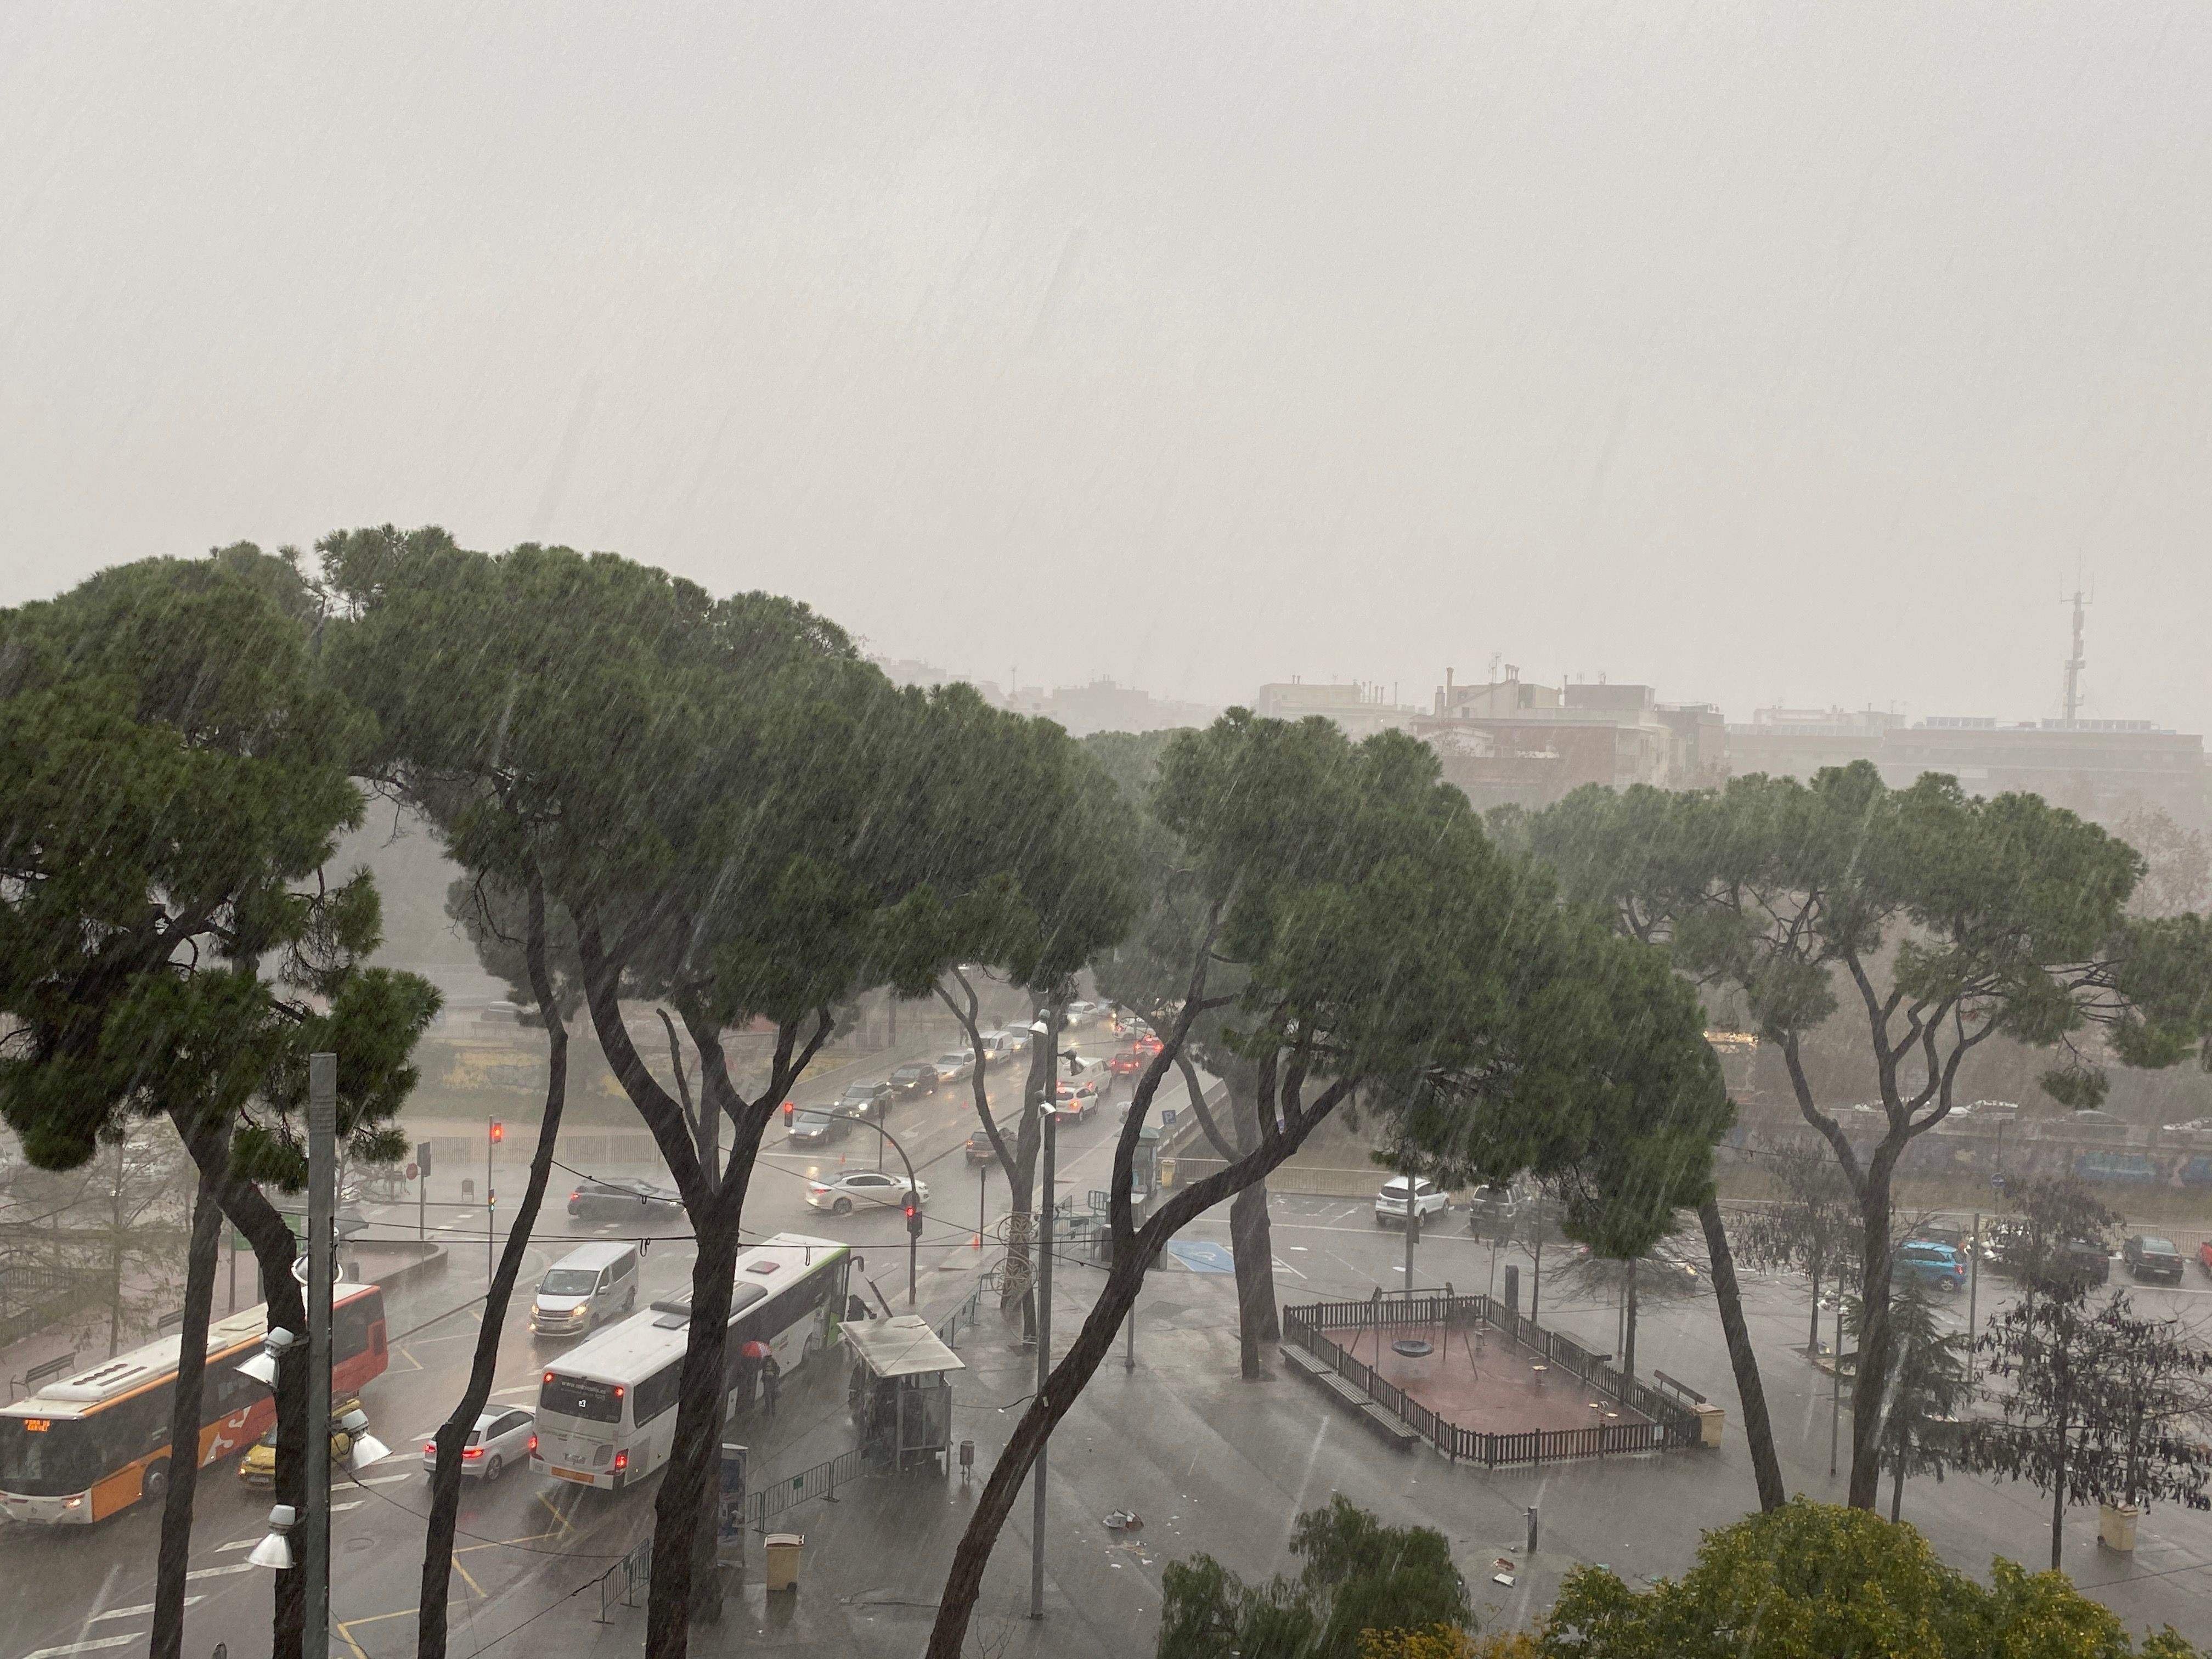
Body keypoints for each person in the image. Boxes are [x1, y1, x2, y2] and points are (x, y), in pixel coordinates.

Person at [759, 1353, 781, 1421]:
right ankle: (771, 1410)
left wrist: (775, 1379)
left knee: (769, 1396)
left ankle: (769, 1410)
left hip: (770, 1381)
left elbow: (777, 1369)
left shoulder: (770, 1361)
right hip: (768, 1380)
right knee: (769, 1396)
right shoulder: (768, 1361)